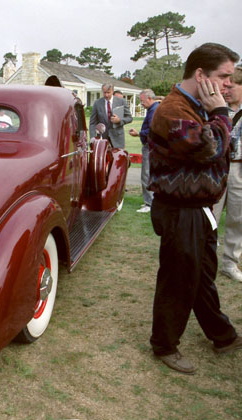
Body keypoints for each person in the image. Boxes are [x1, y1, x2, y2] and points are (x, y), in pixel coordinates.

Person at [147, 43, 242, 375]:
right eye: (224, 76)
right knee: (178, 280)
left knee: (201, 277)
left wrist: (214, 111)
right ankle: (164, 345)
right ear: (201, 75)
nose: (229, 84)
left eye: (230, 78)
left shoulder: (196, 105)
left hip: (198, 208)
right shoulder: (173, 110)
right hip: (179, 210)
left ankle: (223, 335)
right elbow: (209, 149)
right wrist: (221, 113)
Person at [212, 66, 242, 282]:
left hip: (239, 168)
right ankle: (204, 261)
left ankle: (230, 263)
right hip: (217, 167)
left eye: (231, 86)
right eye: (225, 86)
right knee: (208, 216)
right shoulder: (216, 108)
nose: (226, 90)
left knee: (237, 218)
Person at [129, 89, 159, 213]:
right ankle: (151, 202)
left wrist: (138, 134)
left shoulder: (153, 110)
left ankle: (149, 203)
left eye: (142, 101)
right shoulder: (153, 109)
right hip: (153, 146)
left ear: (149, 98)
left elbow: (153, 130)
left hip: (150, 146)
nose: (141, 103)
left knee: (146, 175)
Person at [89, 83, 132, 149]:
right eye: (104, 93)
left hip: (118, 139)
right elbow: (92, 123)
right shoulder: (97, 103)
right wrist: (92, 138)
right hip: (102, 139)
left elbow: (129, 118)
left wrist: (119, 120)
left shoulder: (121, 102)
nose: (106, 95)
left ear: (112, 91)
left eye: (108, 92)